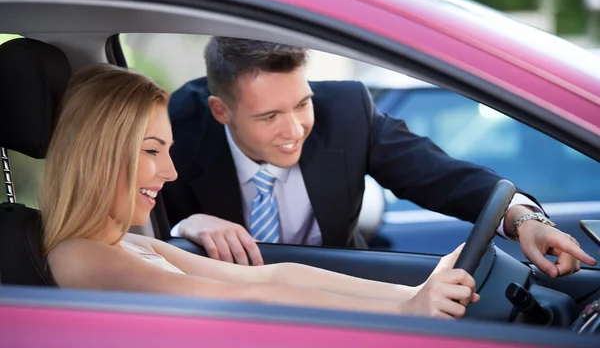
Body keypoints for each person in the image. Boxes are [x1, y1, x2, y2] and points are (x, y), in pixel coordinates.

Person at [43, 63, 480, 319]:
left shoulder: (130, 245)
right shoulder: (79, 254)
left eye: (169, 150)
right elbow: (245, 297)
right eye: (152, 151)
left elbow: (270, 275)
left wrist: (416, 292)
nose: (171, 172)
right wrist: (403, 312)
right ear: (100, 155)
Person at [161, 37, 596, 276]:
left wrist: (523, 219)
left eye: (301, 104)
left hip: (344, 303)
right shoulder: (173, 132)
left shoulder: (348, 111)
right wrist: (183, 226)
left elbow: (443, 177)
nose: (294, 130)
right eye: (270, 115)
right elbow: (116, 228)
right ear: (221, 110)